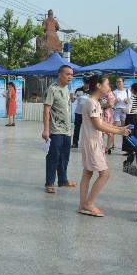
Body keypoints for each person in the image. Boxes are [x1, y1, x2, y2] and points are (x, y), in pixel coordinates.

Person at [78, 75, 131, 217]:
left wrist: (119, 128)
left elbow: (101, 123)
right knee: (105, 174)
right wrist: (119, 131)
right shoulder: (92, 103)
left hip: (92, 141)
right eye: (107, 84)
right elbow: (98, 126)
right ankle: (89, 204)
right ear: (99, 86)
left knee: (88, 173)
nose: (109, 87)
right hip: (92, 143)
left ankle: (83, 204)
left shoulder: (95, 102)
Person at [42, 65, 76, 194]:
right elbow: (46, 110)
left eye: (71, 75)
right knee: (53, 157)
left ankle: (63, 180)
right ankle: (49, 183)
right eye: (68, 74)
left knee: (65, 157)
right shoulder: (52, 89)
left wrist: (70, 128)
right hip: (55, 130)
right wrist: (46, 129)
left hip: (66, 130)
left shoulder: (66, 90)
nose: (70, 77)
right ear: (60, 75)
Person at [122, 83, 137, 158]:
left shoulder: (131, 98)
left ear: (133, 90)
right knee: (135, 134)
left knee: (128, 133)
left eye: (131, 88)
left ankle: (129, 150)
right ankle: (134, 150)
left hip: (131, 117)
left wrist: (123, 110)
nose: (130, 90)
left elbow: (128, 110)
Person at [71, 78, 89, 148]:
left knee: (87, 129)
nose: (87, 85)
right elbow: (73, 100)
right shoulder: (78, 90)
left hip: (87, 114)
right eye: (86, 83)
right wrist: (71, 96)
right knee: (77, 128)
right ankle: (75, 143)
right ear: (83, 82)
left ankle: (86, 144)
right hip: (78, 112)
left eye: (88, 83)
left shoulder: (92, 91)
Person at [112, 77, 129, 148]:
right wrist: (116, 101)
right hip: (116, 110)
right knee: (114, 128)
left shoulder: (127, 91)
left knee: (124, 128)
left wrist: (127, 101)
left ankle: (124, 145)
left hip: (124, 110)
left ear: (123, 82)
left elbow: (130, 102)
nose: (118, 83)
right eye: (117, 82)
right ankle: (112, 144)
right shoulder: (114, 92)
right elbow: (111, 103)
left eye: (120, 81)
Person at [100, 89, 116, 154]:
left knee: (109, 131)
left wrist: (101, 106)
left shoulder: (110, 94)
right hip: (101, 114)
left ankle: (108, 148)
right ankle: (101, 147)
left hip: (108, 114)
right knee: (101, 132)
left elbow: (110, 104)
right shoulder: (100, 92)